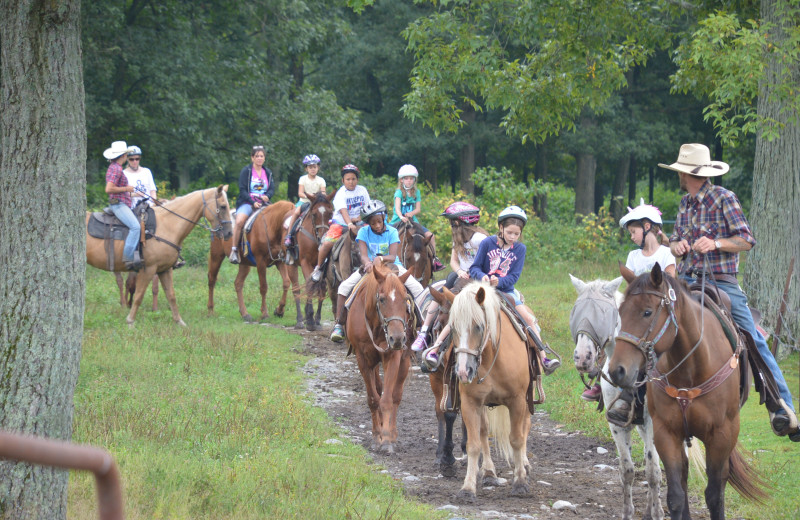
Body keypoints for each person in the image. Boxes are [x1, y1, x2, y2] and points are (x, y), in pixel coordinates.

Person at [665, 143, 798, 441]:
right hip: (686, 279)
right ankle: (636, 398)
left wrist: (716, 243)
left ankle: (782, 408)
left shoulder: (725, 198)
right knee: (652, 320)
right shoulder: (685, 203)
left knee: (751, 337)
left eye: (682, 172)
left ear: (690, 173)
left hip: (722, 281)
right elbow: (674, 241)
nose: (681, 177)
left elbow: (747, 240)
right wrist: (677, 247)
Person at [423, 206, 560, 374]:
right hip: (482, 289)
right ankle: (435, 351)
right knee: (461, 314)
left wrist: (500, 281)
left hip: (505, 291)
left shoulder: (520, 249)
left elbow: (514, 276)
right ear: (501, 228)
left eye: (517, 234)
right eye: (509, 232)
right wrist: (484, 277)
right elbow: (475, 267)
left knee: (528, 319)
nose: (513, 237)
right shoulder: (487, 243)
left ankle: (543, 358)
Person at [583, 199, 677, 402]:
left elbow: (670, 282)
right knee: (614, 331)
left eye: (634, 232)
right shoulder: (633, 256)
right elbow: (630, 287)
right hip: (638, 310)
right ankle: (602, 376)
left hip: (658, 310)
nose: (632, 237)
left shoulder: (667, 253)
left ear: (647, 227)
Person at [329, 200, 425, 342]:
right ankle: (339, 324)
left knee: (417, 288)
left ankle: (422, 326)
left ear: (384, 217)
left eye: (379, 221)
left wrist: (380, 259)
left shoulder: (392, 231)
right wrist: (367, 262)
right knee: (344, 287)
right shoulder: (363, 232)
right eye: (373, 223)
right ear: (368, 223)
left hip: (393, 266)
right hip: (370, 268)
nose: (377, 225)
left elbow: (392, 256)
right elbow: (363, 254)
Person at [411, 201, 488, 353]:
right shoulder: (457, 239)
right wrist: (459, 271)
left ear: (462, 223)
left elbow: (489, 261)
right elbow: (453, 261)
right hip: (462, 275)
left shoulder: (480, 239)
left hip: (478, 277)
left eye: (453, 224)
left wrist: (476, 273)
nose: (452, 227)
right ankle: (425, 331)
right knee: (441, 293)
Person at [310, 164, 370, 282]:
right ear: (343, 180)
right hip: (342, 223)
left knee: (376, 235)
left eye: (353, 179)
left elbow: (367, 207)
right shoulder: (341, 193)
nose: (351, 182)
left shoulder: (362, 190)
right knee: (327, 243)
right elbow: (343, 211)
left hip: (360, 222)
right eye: (348, 179)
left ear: (357, 180)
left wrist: (360, 217)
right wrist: (349, 224)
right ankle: (319, 268)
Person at [388, 164, 445, 272]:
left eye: (411, 178)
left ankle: (434, 260)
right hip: (398, 220)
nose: (409, 181)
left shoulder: (416, 192)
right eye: (406, 178)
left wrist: (411, 213)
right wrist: (401, 216)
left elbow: (418, 209)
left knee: (430, 236)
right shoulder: (399, 192)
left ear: (414, 180)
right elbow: (397, 208)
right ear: (401, 180)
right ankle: (386, 259)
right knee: (387, 237)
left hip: (412, 220)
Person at [230, 145, 275, 264]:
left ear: (264, 158)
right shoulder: (247, 171)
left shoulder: (268, 172)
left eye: (262, 156)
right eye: (257, 156)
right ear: (252, 158)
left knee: (277, 219)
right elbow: (242, 189)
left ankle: (277, 251)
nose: (259, 158)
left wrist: (268, 196)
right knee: (240, 221)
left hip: (264, 203)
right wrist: (252, 202)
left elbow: (271, 189)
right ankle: (234, 250)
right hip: (247, 202)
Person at [103, 140, 143, 271]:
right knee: (135, 227)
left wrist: (133, 193)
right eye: (126, 155)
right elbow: (109, 189)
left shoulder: (115, 168)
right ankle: (128, 258)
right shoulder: (116, 169)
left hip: (122, 203)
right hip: (118, 205)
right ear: (123, 156)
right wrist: (127, 188)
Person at [284, 154, 327, 249]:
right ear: (306, 169)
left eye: (314, 167)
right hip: (304, 202)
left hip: (316, 203)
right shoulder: (303, 179)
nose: (313, 169)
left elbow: (323, 193)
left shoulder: (321, 180)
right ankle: (289, 235)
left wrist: (318, 198)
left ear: (318, 168)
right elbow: (300, 193)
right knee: (296, 213)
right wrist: (310, 196)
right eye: (310, 167)